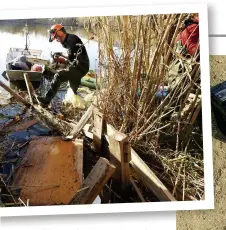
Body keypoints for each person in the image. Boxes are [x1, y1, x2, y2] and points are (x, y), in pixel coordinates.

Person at [38, 24, 90, 106]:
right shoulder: (67, 40)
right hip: (78, 66)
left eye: (56, 37)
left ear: (59, 33)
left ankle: (46, 100)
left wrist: (61, 59)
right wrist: (60, 54)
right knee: (73, 90)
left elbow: (70, 57)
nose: (56, 39)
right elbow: (71, 57)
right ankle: (75, 104)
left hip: (80, 67)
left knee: (58, 76)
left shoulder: (71, 39)